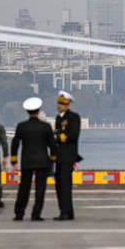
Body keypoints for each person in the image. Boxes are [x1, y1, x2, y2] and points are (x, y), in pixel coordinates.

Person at [11, 97, 57, 221]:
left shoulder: (21, 126)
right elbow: (53, 145)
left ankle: (19, 213)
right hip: (42, 162)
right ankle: (36, 214)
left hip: (27, 161)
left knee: (24, 189)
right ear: (38, 110)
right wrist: (52, 159)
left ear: (27, 111)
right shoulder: (46, 126)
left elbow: (15, 143)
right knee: (40, 189)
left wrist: (14, 161)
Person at [53, 91, 81, 221]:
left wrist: (58, 136)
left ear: (68, 104)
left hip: (68, 155)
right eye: (59, 103)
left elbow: (73, 135)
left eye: (62, 103)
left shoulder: (74, 117)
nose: (60, 106)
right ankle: (66, 211)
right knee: (59, 184)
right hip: (59, 155)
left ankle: (65, 212)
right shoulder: (59, 118)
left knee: (65, 185)